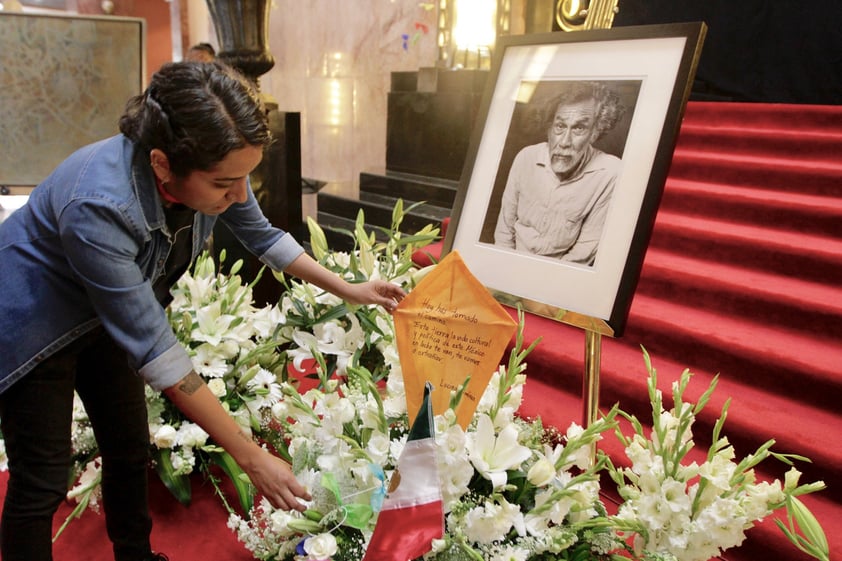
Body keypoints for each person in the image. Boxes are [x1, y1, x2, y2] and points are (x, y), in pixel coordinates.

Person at [0, 61, 405, 561]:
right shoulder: (99, 204)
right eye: (224, 185)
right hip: (33, 326)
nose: (239, 195)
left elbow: (263, 236)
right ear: (163, 164)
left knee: (128, 448)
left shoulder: (216, 167)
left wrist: (350, 289)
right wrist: (250, 457)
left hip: (103, 319)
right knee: (40, 479)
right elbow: (156, 350)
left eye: (245, 178)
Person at [493, 81, 626, 266]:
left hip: (557, 276)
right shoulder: (526, 158)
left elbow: (584, 250)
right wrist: (504, 268)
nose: (564, 142)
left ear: (595, 133)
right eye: (560, 126)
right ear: (549, 129)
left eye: (579, 128)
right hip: (511, 262)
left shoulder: (611, 173)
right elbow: (504, 230)